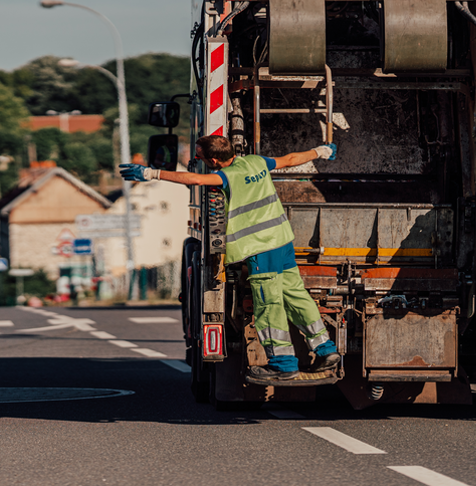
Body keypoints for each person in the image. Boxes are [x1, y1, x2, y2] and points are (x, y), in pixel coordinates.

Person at [120, 135, 341, 384]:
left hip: (261, 248)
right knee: (295, 295)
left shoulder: (226, 176)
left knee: (269, 306)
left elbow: (194, 179)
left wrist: (152, 174)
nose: (197, 159)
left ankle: (283, 364)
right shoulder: (257, 162)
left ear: (214, 159)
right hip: (282, 240)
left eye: (200, 156)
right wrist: (319, 151)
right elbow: (290, 160)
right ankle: (326, 350)